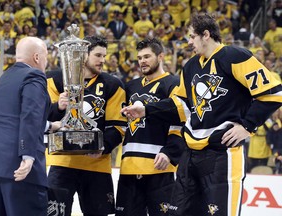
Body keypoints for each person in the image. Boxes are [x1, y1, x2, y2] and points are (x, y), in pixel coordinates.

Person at [121, 13, 282, 216]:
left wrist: (247, 126)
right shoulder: (190, 67)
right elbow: (180, 106)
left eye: (191, 36)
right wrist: (146, 110)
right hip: (190, 154)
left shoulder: (236, 56)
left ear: (205, 34)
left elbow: (274, 94)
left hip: (222, 152)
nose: (189, 42)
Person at [47, 35, 127, 216]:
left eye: (104, 56)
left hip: (96, 165)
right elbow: (44, 118)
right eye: (98, 55)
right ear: (84, 55)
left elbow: (118, 126)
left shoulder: (113, 85)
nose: (102, 60)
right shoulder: (55, 80)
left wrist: (102, 146)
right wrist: (58, 106)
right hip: (62, 163)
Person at [115, 38, 184, 216]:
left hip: (160, 166)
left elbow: (181, 121)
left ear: (160, 56)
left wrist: (170, 152)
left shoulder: (173, 83)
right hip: (129, 167)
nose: (142, 61)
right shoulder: (130, 86)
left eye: (147, 56)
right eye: (139, 58)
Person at [0, 36, 50, 216]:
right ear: (36, 57)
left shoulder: (5, 77)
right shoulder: (34, 75)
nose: (46, 61)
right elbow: (30, 115)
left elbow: (11, 118)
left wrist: (49, 125)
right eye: (46, 56)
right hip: (21, 169)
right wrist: (28, 155)